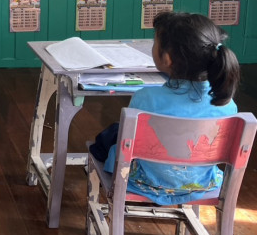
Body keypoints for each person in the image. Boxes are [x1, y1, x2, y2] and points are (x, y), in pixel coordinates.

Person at [95, 11, 239, 205]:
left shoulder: (145, 99)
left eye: (155, 43)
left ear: (168, 58)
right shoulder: (227, 105)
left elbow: (126, 144)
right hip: (201, 184)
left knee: (112, 135)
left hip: (143, 183)